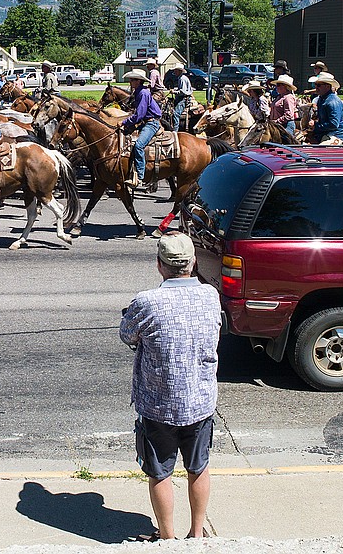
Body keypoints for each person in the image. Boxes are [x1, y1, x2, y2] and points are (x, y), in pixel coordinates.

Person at [120, 232, 220, 541]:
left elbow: (128, 335)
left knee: (159, 472)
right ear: (192, 262)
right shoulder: (210, 295)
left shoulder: (147, 302)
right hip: (201, 400)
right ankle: (197, 533)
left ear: (160, 265)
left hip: (158, 404)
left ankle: (166, 537)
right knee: (198, 466)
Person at [119, 68, 163, 189]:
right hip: (146, 121)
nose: (130, 82)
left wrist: (125, 122)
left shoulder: (143, 93)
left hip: (151, 123)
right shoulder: (139, 92)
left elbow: (139, 115)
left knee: (138, 145)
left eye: (132, 80)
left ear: (138, 81)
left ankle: (140, 176)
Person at [308, 72, 343, 144]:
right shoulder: (321, 99)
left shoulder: (332, 102)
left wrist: (315, 126)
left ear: (327, 86)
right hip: (323, 134)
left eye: (319, 85)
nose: (316, 87)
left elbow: (334, 124)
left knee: (319, 151)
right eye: (315, 85)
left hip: (336, 136)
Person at [171, 65, 193, 132]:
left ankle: (175, 130)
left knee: (175, 113)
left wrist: (174, 92)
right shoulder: (181, 78)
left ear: (179, 71)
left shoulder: (182, 79)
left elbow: (182, 92)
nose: (174, 71)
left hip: (184, 98)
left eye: (175, 70)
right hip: (182, 97)